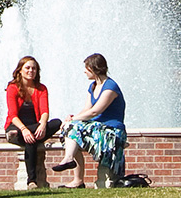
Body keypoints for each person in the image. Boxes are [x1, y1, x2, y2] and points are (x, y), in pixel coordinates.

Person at [51, 53, 126, 188]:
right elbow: (86, 109)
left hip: (111, 130)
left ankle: (68, 160)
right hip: (96, 128)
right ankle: (77, 180)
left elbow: (95, 111)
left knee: (73, 129)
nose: (84, 71)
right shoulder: (92, 86)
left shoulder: (110, 86)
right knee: (70, 130)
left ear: (94, 68)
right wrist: (71, 118)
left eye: (87, 68)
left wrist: (73, 121)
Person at [5, 56, 64, 190]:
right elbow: (12, 115)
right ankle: (32, 180)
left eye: (34, 68)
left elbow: (44, 111)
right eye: (27, 68)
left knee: (56, 123)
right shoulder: (13, 88)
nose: (31, 71)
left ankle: (32, 181)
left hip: (35, 128)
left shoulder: (41, 88)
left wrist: (43, 124)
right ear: (20, 70)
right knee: (30, 139)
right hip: (17, 126)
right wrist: (24, 129)